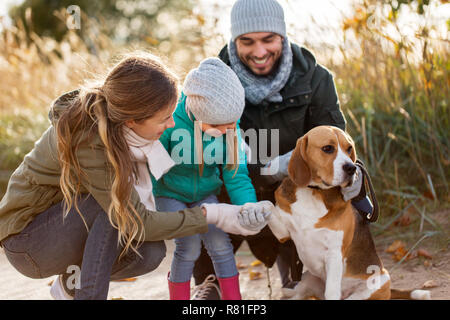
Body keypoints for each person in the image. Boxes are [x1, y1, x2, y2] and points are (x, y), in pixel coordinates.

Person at [0, 51, 272, 300]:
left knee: (149, 252)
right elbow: (133, 214)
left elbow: (145, 218)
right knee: (115, 203)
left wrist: (244, 208)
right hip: (28, 243)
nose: (172, 124)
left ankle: (74, 283)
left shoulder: (129, 131)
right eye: (164, 118)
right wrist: (213, 214)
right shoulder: (91, 138)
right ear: (133, 120)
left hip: (63, 223)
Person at [192, 0, 374, 299]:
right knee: (204, 189)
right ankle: (208, 281)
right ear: (233, 40)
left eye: (268, 39)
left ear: (283, 37)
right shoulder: (211, 80)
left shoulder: (317, 78)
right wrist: (267, 170)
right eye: (247, 41)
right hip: (233, 186)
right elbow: (203, 154)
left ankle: (296, 273)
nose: (259, 52)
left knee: (299, 282)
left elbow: (338, 145)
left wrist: (355, 178)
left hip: (296, 190)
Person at [153, 57, 265, 300]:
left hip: (205, 194)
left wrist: (248, 206)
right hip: (170, 192)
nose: (225, 130)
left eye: (231, 125)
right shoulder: (171, 121)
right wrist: (144, 200)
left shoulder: (228, 127)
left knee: (220, 245)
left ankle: (234, 301)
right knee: (189, 246)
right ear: (198, 112)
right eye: (217, 125)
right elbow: (150, 166)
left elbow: (236, 176)